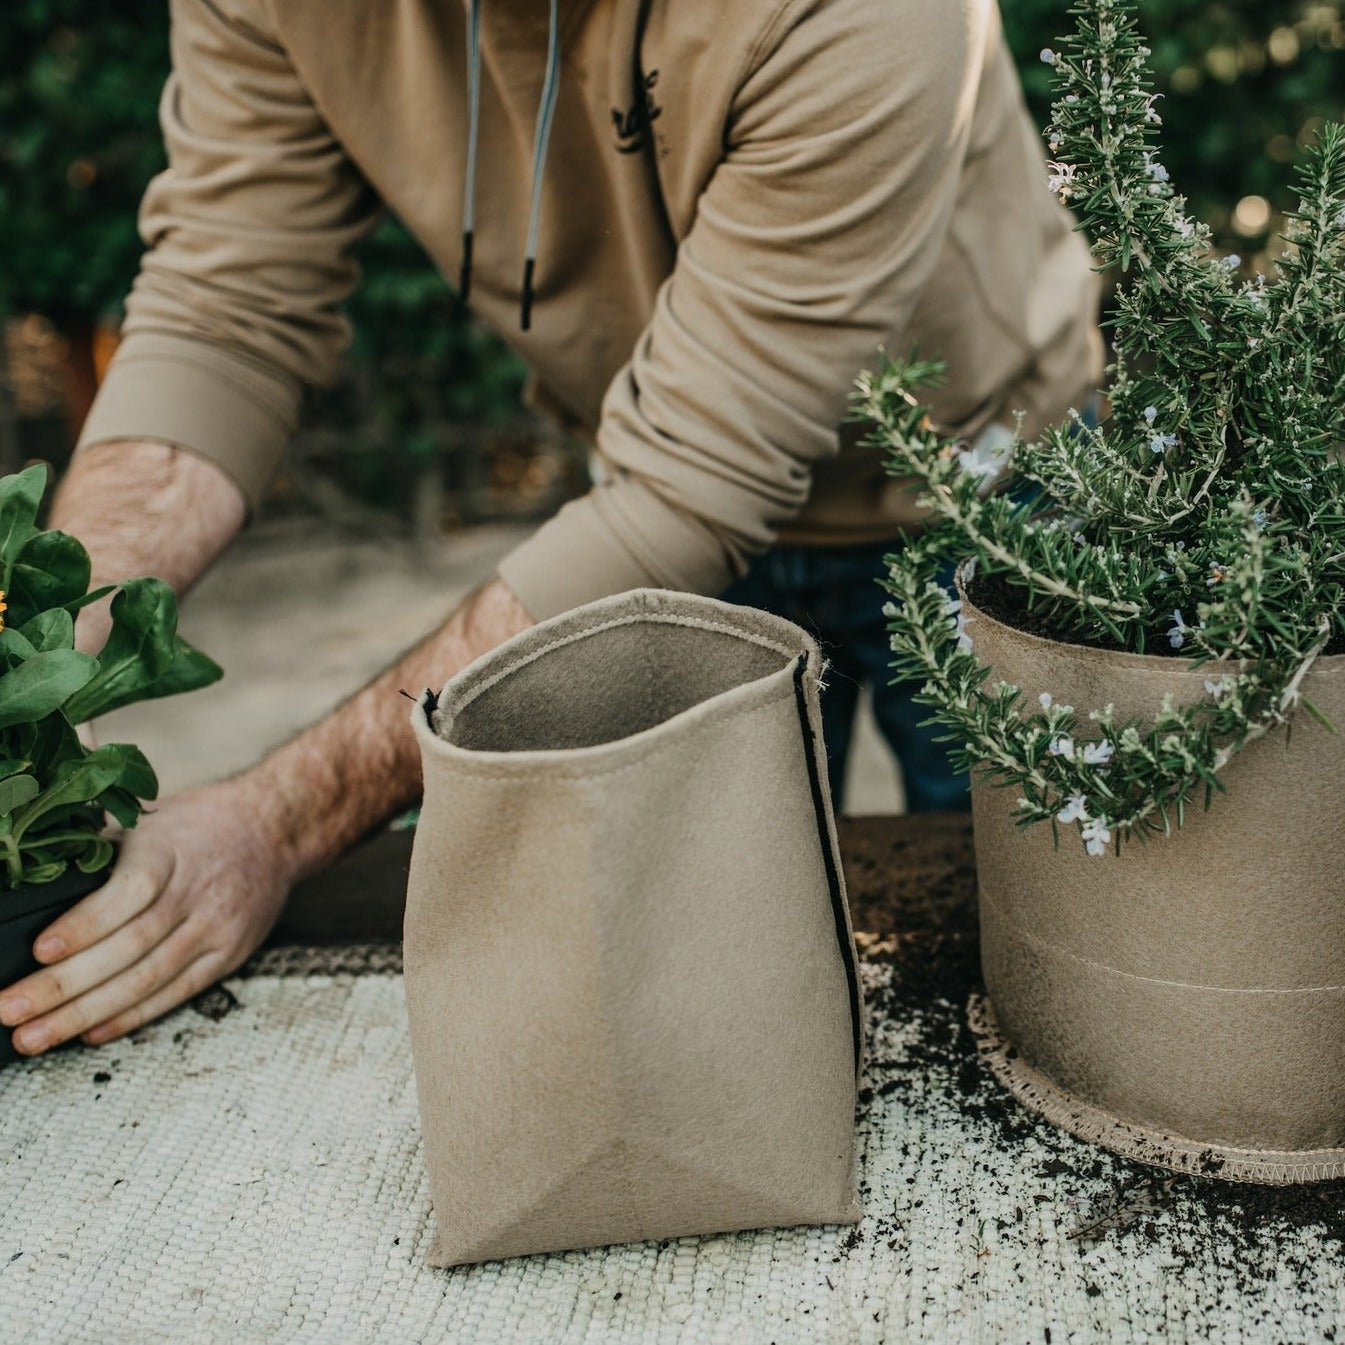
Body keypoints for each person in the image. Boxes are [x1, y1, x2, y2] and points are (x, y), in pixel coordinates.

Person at [0, 0, 1099, 1056]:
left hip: (984, 499)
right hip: (659, 490)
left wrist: (271, 823)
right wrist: (40, 657)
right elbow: (221, 312)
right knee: (696, 995)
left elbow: (686, 491)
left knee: (1039, 962)